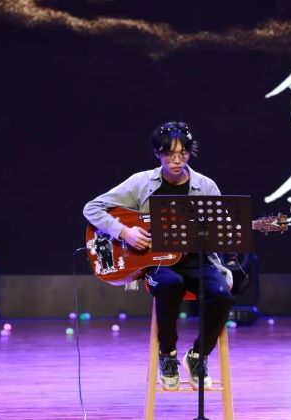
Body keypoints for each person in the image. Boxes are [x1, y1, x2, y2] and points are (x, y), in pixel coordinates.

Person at [83, 121, 234, 391]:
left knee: (222, 295)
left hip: (198, 261)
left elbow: (220, 232)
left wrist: (218, 232)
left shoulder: (206, 185)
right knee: (170, 284)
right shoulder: (141, 182)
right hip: (159, 263)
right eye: (169, 154)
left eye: (183, 153)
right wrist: (124, 232)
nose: (177, 160)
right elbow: (92, 208)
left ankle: (198, 356)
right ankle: (168, 354)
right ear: (157, 153)